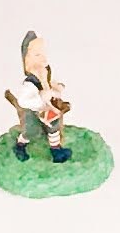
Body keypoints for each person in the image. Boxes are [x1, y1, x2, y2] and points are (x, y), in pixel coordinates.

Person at [5, 30, 72, 164]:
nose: (43, 59)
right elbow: (23, 101)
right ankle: (20, 146)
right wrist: (41, 97)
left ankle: (56, 151)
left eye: (43, 54)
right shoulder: (30, 83)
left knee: (53, 126)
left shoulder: (45, 73)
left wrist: (57, 87)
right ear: (27, 60)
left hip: (47, 109)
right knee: (31, 131)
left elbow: (51, 83)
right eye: (37, 55)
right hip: (33, 112)